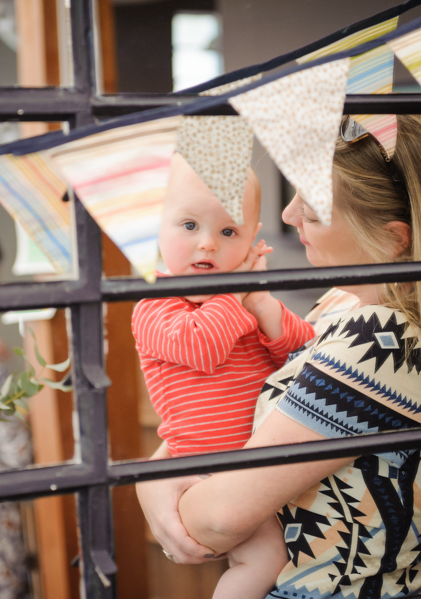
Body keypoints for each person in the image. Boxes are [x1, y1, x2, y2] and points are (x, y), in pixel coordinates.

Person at [136, 114, 421, 598]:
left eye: (313, 209)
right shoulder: (345, 305)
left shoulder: (379, 343)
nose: (287, 215)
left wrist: (154, 488)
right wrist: (150, 481)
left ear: (394, 239)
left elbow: (217, 519)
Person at [132, 153, 315, 599]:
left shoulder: (243, 302)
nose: (208, 244)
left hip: (255, 469)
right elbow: (202, 348)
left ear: (253, 240)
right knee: (261, 559)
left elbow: (301, 352)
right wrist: (237, 295)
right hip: (207, 474)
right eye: (189, 226)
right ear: (156, 228)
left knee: (270, 559)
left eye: (229, 231)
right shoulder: (153, 306)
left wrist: (266, 308)